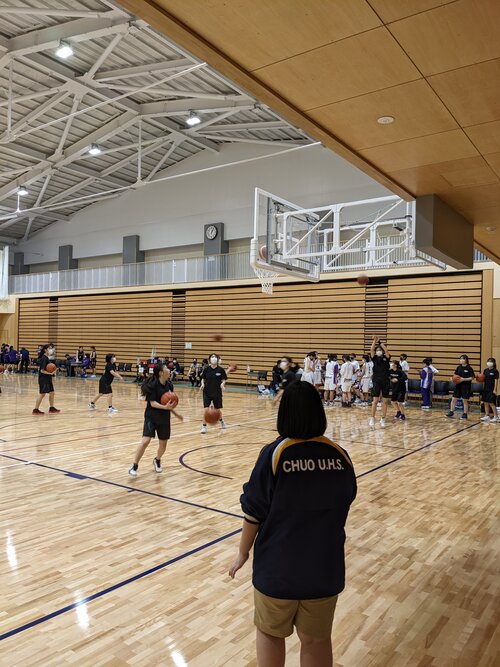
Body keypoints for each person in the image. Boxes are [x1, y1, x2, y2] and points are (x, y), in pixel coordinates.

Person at [229, 381, 356, 667]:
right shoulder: (339, 454)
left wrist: (242, 552)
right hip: (324, 567)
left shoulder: (275, 453)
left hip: (278, 567)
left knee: (271, 634)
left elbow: (253, 512)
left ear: (284, 413)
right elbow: (348, 497)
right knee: (317, 640)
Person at [128, 363, 183, 476]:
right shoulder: (153, 385)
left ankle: (157, 460)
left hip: (164, 418)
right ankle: (134, 465)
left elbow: (169, 405)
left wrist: (176, 414)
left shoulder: (169, 385)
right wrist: (165, 407)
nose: (169, 370)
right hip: (151, 416)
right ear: (161, 373)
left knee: (163, 444)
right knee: (145, 441)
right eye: (167, 369)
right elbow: (152, 403)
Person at [200, 353, 227, 433]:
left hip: (217, 392)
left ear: (217, 359)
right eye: (212, 357)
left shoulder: (221, 370)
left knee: (217, 410)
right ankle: (204, 426)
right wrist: (202, 384)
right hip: (207, 392)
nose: (213, 358)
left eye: (215, 357)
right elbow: (202, 379)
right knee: (206, 410)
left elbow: (224, 380)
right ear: (209, 360)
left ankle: (221, 421)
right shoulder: (206, 369)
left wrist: (222, 384)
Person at [368, 336, 391, 428]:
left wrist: (380, 342)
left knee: (385, 401)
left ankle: (383, 419)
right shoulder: (374, 358)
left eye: (379, 350)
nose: (378, 351)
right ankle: (372, 418)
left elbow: (386, 350)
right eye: (377, 350)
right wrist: (374, 341)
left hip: (385, 381)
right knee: (375, 401)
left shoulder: (387, 357)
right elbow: (371, 349)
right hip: (376, 380)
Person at [32, 344, 60, 415]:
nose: (50, 350)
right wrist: (51, 373)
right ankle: (35, 409)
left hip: (48, 378)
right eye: (49, 349)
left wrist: (53, 370)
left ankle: (51, 408)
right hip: (43, 379)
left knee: (52, 393)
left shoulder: (46, 358)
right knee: (42, 394)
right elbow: (42, 370)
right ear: (45, 350)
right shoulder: (44, 358)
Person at [446, 354, 475, 420]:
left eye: (463, 359)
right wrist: (452, 379)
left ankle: (465, 414)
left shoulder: (469, 368)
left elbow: (472, 377)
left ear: (466, 360)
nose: (461, 360)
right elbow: (455, 375)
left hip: (466, 386)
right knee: (454, 399)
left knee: (464, 400)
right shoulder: (458, 367)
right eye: (460, 359)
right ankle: (451, 412)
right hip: (458, 386)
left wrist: (463, 379)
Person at [480, 358, 498, 423]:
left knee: (491, 403)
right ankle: (487, 415)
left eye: (491, 362)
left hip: (491, 389)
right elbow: (483, 379)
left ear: (494, 363)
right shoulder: (485, 370)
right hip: (485, 389)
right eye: (488, 361)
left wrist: (495, 389)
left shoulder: (495, 371)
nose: (489, 363)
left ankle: (496, 416)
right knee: (485, 402)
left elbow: (496, 380)